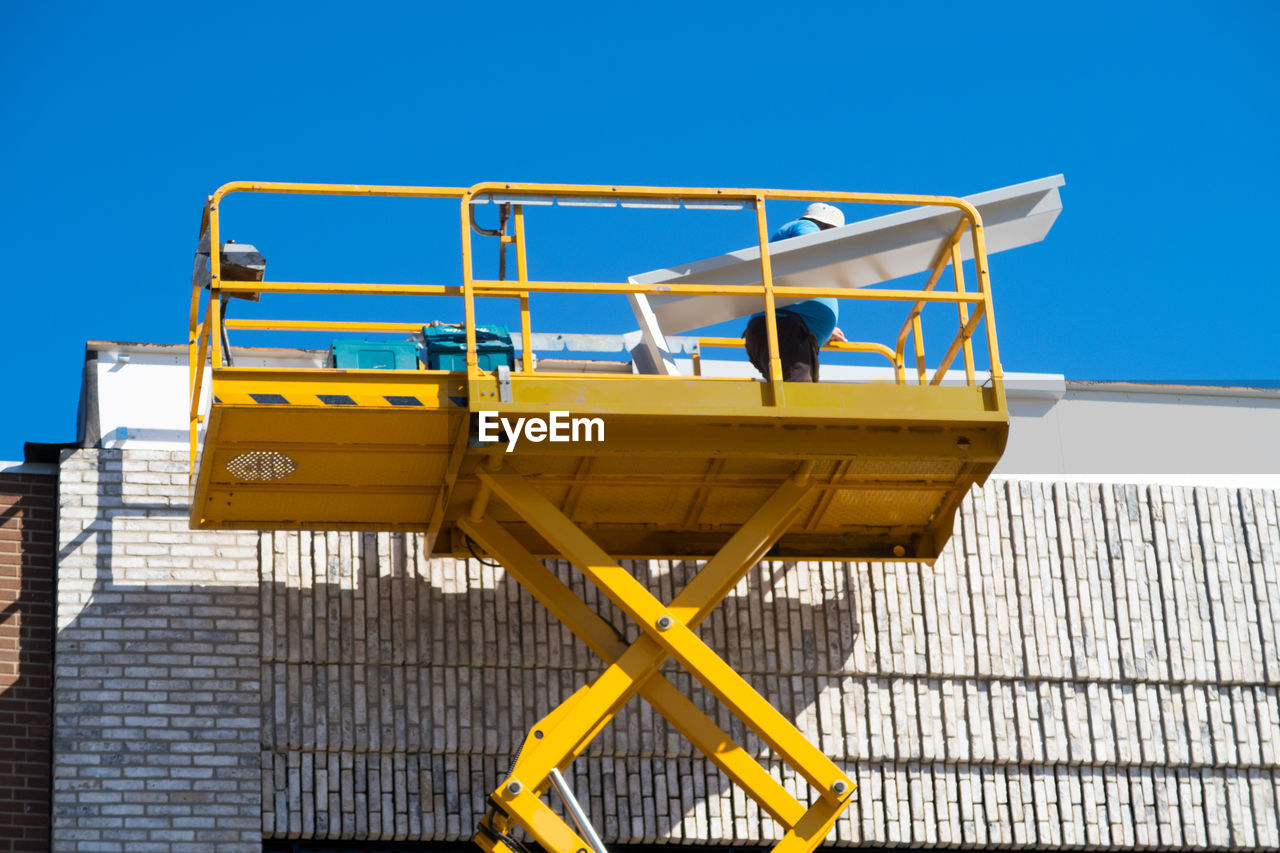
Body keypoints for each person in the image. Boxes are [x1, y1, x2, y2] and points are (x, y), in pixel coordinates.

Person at [743, 202, 847, 382]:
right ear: (825, 226)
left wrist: (823, 328)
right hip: (786, 330)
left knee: (794, 397)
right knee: (798, 398)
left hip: (789, 331)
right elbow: (810, 243)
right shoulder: (807, 226)